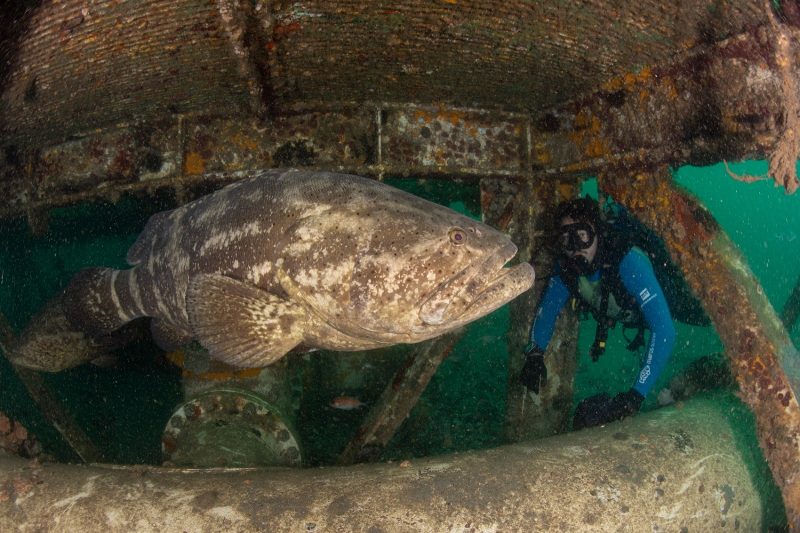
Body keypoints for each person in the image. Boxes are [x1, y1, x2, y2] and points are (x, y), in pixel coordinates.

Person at [519, 197, 677, 429]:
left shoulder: (629, 262)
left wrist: (637, 394)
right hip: (624, 313)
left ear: (598, 233)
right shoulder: (566, 270)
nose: (575, 248)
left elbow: (664, 330)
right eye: (566, 238)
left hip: (672, 301)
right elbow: (548, 311)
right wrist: (534, 354)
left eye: (582, 235)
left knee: (698, 313)